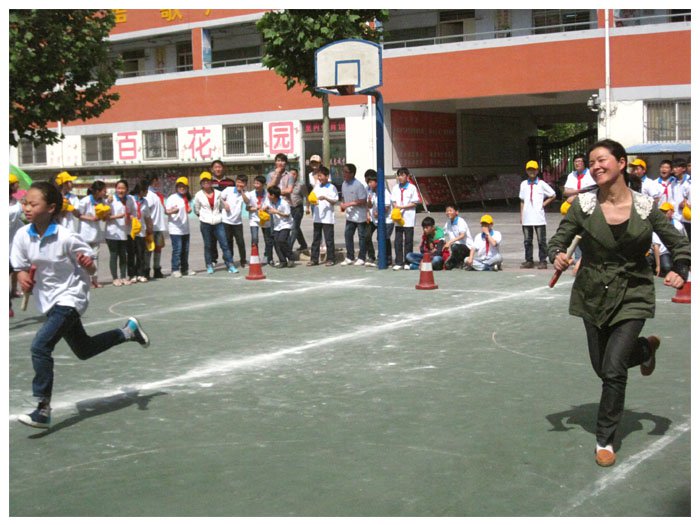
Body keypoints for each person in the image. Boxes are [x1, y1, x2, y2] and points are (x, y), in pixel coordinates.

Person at [548, 139, 690, 468]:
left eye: (602, 160)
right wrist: (556, 253)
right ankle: (644, 351)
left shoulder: (645, 207)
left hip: (633, 292)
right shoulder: (583, 205)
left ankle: (605, 439)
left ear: (622, 163)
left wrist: (680, 270)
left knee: (613, 371)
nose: (596, 165)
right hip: (592, 293)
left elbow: (677, 241)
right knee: (602, 366)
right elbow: (560, 237)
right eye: (591, 161)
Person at [10, 181, 150, 429]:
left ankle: (42, 408)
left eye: (33, 203)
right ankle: (128, 331)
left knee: (40, 346)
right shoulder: (22, 235)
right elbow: (20, 267)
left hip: (71, 298)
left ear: (51, 207)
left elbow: (91, 266)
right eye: (25, 203)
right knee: (84, 350)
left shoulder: (66, 236)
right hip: (48, 301)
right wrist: (23, 279)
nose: (27, 208)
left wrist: (88, 265)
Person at [193, 172, 237, 274]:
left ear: (211, 182)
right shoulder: (198, 195)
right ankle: (209, 265)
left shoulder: (218, 193)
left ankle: (230, 264)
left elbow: (221, 206)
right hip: (205, 223)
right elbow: (196, 210)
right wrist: (203, 217)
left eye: (207, 181)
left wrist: (225, 207)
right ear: (201, 183)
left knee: (224, 244)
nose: (206, 183)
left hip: (218, 222)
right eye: (203, 181)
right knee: (208, 245)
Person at [519, 160, 556, 269]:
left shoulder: (541, 184)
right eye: (529, 169)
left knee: (541, 241)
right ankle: (529, 260)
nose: (531, 172)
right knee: (527, 241)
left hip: (538, 217)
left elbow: (553, 195)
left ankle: (543, 260)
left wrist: (543, 204)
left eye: (534, 169)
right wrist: (521, 215)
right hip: (527, 217)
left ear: (537, 171)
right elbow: (522, 200)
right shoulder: (523, 184)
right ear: (526, 171)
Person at [104, 180, 137, 287]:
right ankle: (115, 278)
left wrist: (131, 217)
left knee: (123, 255)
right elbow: (105, 217)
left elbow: (133, 213)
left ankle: (123, 276)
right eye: (118, 188)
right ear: (115, 189)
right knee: (114, 255)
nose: (120, 191)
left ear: (127, 189)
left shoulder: (130, 199)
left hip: (124, 232)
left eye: (123, 188)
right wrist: (118, 216)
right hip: (112, 233)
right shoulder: (110, 200)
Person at [77, 180, 109, 288]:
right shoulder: (85, 201)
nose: (105, 193)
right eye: (104, 190)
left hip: (96, 233)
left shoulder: (103, 202)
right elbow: (79, 215)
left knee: (95, 257)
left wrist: (104, 216)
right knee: (86, 258)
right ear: (97, 191)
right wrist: (91, 218)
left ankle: (95, 279)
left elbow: (104, 218)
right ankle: (87, 280)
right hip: (85, 234)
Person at [307, 166, 338, 267]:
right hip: (317, 217)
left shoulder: (332, 187)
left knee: (329, 239)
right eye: (318, 176)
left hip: (328, 218)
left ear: (327, 176)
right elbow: (312, 196)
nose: (319, 178)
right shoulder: (317, 186)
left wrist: (325, 198)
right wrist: (312, 201)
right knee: (316, 238)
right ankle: (314, 259)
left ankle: (331, 259)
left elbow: (335, 200)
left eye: (320, 176)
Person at [390, 167, 421, 270]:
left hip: (408, 218)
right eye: (399, 175)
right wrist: (396, 208)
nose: (400, 177)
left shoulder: (412, 188)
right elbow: (393, 201)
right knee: (398, 240)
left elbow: (415, 203)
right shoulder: (395, 188)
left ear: (407, 177)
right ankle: (399, 262)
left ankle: (408, 261)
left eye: (402, 175)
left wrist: (402, 207)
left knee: (408, 241)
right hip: (398, 219)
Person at [339, 163, 368, 266]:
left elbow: (363, 200)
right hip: (350, 216)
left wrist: (349, 204)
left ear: (352, 173)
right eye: (343, 171)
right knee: (348, 235)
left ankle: (362, 257)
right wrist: (342, 204)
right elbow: (343, 197)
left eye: (346, 172)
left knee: (362, 237)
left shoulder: (358, 185)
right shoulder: (343, 184)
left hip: (360, 216)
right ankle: (350, 256)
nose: (344, 174)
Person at [165, 177, 194, 278]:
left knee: (185, 250)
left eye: (184, 187)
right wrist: (173, 211)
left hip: (185, 228)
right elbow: (166, 211)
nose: (182, 188)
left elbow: (186, 210)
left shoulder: (186, 198)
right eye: (180, 186)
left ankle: (185, 269)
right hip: (175, 228)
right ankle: (175, 269)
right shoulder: (172, 198)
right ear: (177, 187)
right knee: (177, 250)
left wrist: (189, 210)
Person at [647, 202, 686, 277]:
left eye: (665, 211)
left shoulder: (678, 226)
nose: (663, 213)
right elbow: (656, 246)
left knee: (667, 266)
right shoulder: (656, 224)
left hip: (669, 252)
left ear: (672, 212)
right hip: (657, 252)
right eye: (662, 211)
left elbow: (683, 240)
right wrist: (658, 266)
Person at [208, 160, 236, 266]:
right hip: (213, 214)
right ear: (212, 169)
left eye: (219, 167)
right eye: (215, 167)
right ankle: (213, 259)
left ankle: (228, 258)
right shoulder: (208, 182)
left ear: (223, 168)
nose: (218, 169)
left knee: (228, 237)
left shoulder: (230, 182)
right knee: (212, 238)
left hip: (227, 214)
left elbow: (234, 197)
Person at [242, 175, 274, 265]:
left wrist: (265, 207)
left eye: (258, 183)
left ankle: (268, 257)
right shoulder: (250, 193)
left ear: (263, 184)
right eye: (255, 183)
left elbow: (270, 205)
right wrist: (242, 192)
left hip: (265, 218)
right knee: (254, 238)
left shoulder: (267, 194)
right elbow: (247, 206)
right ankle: (255, 257)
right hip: (254, 219)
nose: (255, 185)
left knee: (268, 239)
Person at [364, 169, 393, 268]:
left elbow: (387, 206)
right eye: (368, 182)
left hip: (386, 220)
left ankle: (385, 258)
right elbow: (370, 205)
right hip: (374, 220)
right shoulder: (371, 192)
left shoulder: (384, 191)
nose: (369, 184)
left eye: (371, 182)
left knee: (383, 238)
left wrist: (379, 213)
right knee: (366, 235)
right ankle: (371, 256)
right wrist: (369, 202)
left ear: (376, 182)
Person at [220, 174, 248, 268]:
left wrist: (242, 192)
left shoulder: (246, 193)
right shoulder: (228, 189)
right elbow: (219, 197)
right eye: (238, 182)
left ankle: (243, 261)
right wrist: (224, 204)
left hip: (237, 222)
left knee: (240, 242)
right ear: (236, 182)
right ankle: (229, 260)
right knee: (228, 242)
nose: (239, 184)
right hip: (226, 221)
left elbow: (247, 201)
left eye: (242, 182)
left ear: (245, 184)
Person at [280, 168, 309, 255]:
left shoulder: (301, 185)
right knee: (296, 228)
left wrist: (307, 207)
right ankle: (303, 244)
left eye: (294, 174)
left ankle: (288, 247)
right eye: (291, 174)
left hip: (298, 208)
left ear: (297, 175)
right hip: (289, 209)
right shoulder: (286, 185)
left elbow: (306, 196)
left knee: (294, 228)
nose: (292, 176)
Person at [144, 175, 167, 279]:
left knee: (158, 249)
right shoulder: (148, 195)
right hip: (151, 228)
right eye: (155, 182)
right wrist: (148, 226)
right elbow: (146, 211)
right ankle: (146, 270)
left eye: (158, 182)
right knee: (149, 250)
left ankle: (157, 269)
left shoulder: (156, 195)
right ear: (150, 183)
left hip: (158, 227)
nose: (157, 184)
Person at [265, 185, 295, 268]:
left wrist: (276, 212)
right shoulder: (270, 201)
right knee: (276, 242)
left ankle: (291, 257)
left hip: (286, 224)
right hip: (277, 225)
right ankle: (282, 260)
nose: (268, 196)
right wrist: (264, 208)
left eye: (269, 194)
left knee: (281, 240)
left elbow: (287, 215)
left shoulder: (284, 203)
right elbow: (266, 206)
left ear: (273, 195)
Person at [129, 181, 152, 283]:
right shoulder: (130, 199)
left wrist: (150, 228)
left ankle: (141, 274)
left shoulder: (145, 202)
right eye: (146, 190)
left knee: (141, 253)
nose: (147, 192)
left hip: (141, 231)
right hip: (131, 231)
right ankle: (132, 274)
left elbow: (147, 216)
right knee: (131, 253)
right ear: (141, 191)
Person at [9, 174, 24, 317]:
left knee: (13, 270)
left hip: (13, 245)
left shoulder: (16, 201)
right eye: (16, 183)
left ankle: (12, 292)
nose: (18, 186)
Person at [443, 205, 472, 270]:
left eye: (450, 211)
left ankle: (462, 261)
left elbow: (462, 235)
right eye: (447, 211)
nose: (448, 213)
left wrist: (449, 242)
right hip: (455, 249)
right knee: (447, 266)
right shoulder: (448, 223)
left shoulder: (461, 221)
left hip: (466, 247)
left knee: (454, 246)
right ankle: (458, 262)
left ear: (456, 212)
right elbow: (443, 233)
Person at [672, 158, 691, 240]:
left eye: (676, 167)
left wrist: (685, 203)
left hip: (688, 218)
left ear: (683, 169)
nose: (674, 170)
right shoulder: (673, 182)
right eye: (673, 168)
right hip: (676, 218)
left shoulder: (689, 182)